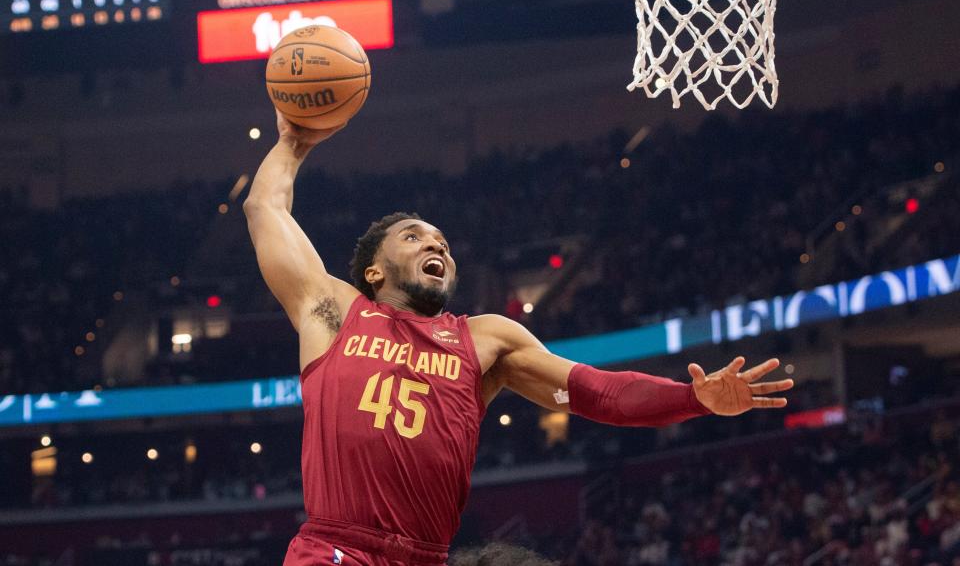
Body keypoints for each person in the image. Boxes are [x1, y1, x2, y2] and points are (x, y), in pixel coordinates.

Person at [243, 113, 794, 566]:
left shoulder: (485, 341)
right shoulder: (334, 311)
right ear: (373, 271)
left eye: (443, 241)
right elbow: (265, 208)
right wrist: (294, 138)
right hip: (336, 548)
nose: (436, 245)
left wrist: (692, 398)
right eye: (413, 237)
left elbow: (597, 392)